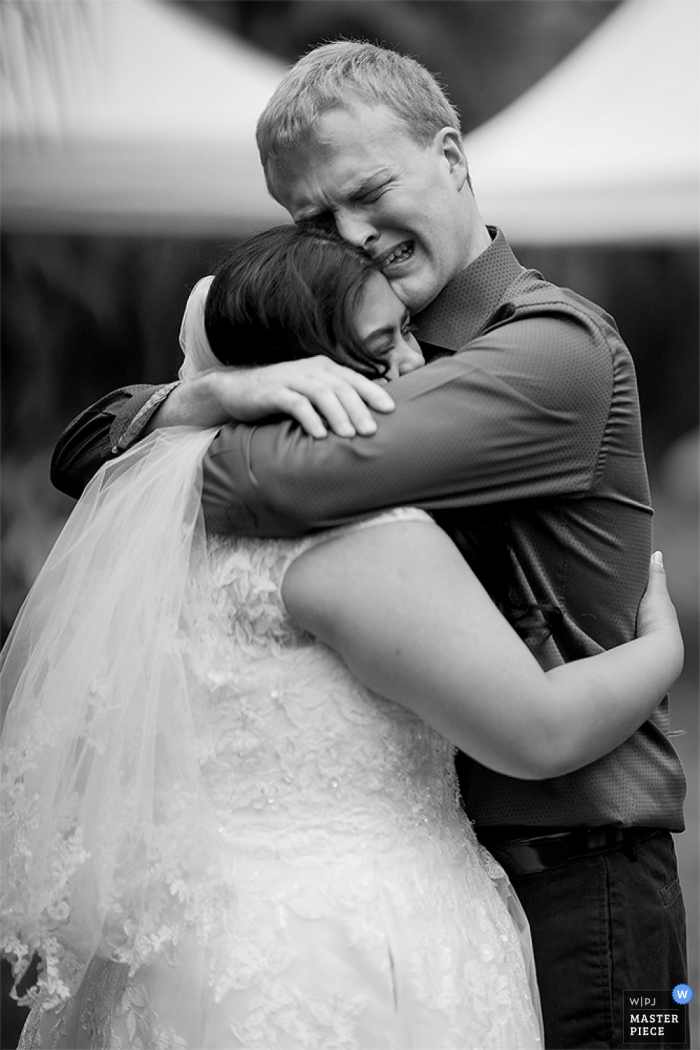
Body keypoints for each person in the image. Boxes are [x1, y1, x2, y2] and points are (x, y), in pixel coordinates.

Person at [49, 43, 689, 1049]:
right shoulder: (344, 347)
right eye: (314, 220)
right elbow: (87, 453)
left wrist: (180, 440)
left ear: (451, 154)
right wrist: (209, 394)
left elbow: (265, 481)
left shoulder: (547, 350)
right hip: (427, 872)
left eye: (370, 190)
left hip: (584, 881)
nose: (353, 235)